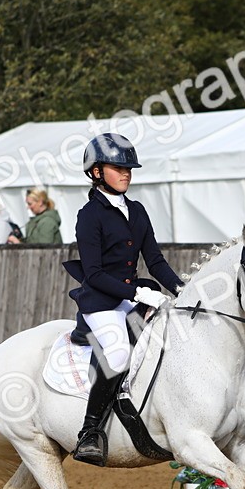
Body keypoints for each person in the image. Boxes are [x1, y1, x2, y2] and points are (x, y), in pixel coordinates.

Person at [63, 133, 183, 466]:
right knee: (117, 356)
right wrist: (136, 293)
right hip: (101, 302)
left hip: (132, 297)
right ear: (97, 172)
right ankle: (90, 432)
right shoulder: (90, 216)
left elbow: (155, 260)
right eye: (118, 168)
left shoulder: (137, 210)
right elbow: (94, 273)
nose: (126, 173)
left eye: (129, 168)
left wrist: (181, 288)